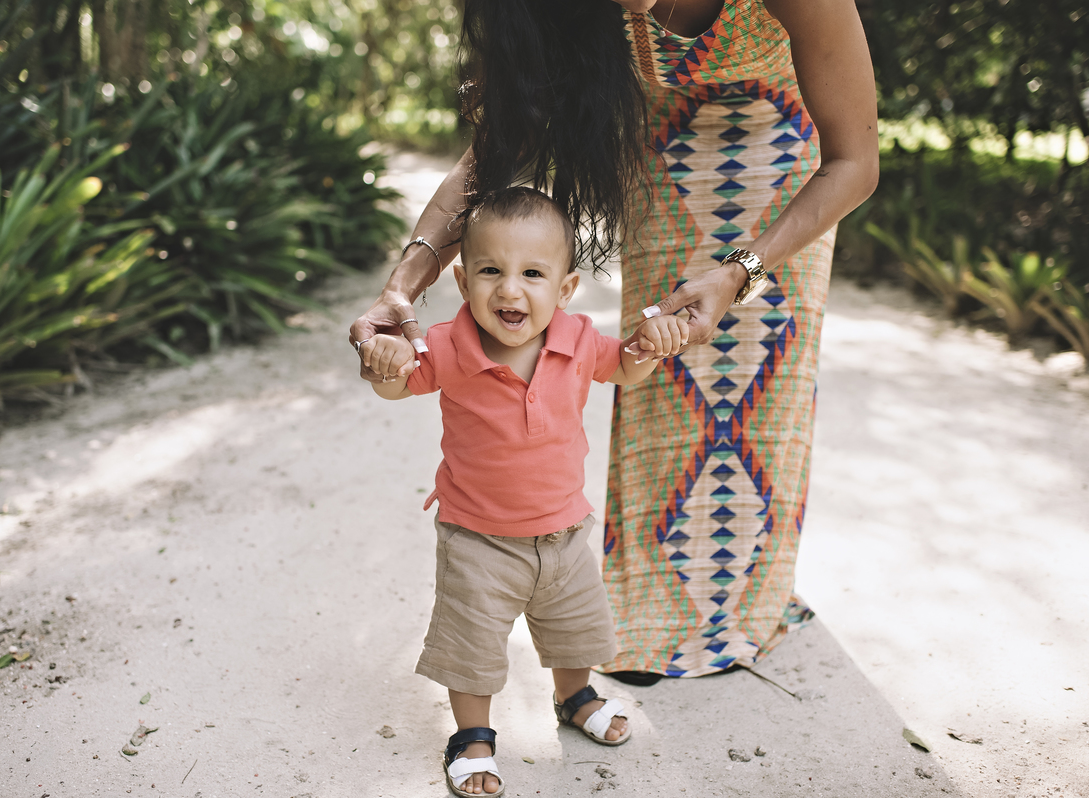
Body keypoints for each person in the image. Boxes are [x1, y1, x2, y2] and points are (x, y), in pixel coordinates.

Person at [351, 0, 878, 686]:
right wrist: (402, 285)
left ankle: (752, 600)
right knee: (664, 375)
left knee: (761, 394)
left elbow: (855, 161)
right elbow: (495, 152)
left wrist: (739, 272)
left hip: (783, 165)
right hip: (664, 150)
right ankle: (656, 613)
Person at [359, 187, 689, 797]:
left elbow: (625, 366)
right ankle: (472, 737)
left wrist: (651, 344)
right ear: (463, 281)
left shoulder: (578, 339)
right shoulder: (448, 345)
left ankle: (575, 696)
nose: (510, 290)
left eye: (533, 274)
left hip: (564, 532)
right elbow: (398, 384)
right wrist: (385, 361)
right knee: (471, 646)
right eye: (491, 271)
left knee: (577, 630)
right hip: (477, 538)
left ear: (565, 289)